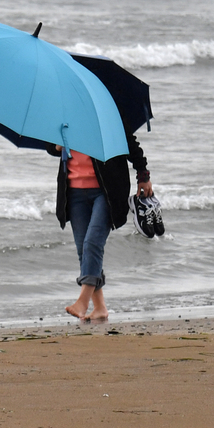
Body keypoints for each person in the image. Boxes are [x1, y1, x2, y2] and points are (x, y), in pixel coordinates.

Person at [49, 135, 152, 322]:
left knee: (92, 243)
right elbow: (49, 145)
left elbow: (130, 144)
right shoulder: (63, 116)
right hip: (73, 191)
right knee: (83, 249)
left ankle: (83, 300)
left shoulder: (109, 110)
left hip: (106, 191)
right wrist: (55, 146)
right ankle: (100, 308)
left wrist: (143, 176)